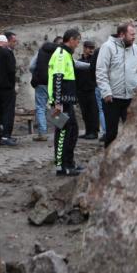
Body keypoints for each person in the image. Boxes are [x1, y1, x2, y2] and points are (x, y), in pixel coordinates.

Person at [95, 21, 137, 147]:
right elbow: (101, 71)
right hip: (112, 98)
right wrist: (106, 92)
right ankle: (108, 163)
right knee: (111, 134)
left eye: (134, 34)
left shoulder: (135, 48)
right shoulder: (107, 47)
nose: (134, 37)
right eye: (131, 34)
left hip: (130, 97)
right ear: (122, 34)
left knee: (133, 132)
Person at [49, 29, 81, 176]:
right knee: (63, 132)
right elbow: (58, 78)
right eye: (78, 41)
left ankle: (69, 162)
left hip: (65, 100)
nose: (78, 44)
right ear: (72, 39)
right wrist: (57, 102)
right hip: (61, 102)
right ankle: (63, 166)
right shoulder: (61, 55)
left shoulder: (66, 54)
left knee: (72, 130)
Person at [29, 36, 62, 141]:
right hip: (55, 82)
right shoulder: (60, 53)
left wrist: (37, 73)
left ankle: (42, 134)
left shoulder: (42, 51)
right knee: (55, 106)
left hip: (41, 82)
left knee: (41, 108)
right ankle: (61, 131)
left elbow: (31, 66)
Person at [75, 40, 100, 139]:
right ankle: (88, 131)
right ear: (84, 48)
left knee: (93, 112)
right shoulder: (79, 61)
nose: (91, 50)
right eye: (89, 48)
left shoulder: (94, 61)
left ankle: (94, 132)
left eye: (92, 48)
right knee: (85, 112)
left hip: (91, 89)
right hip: (81, 90)